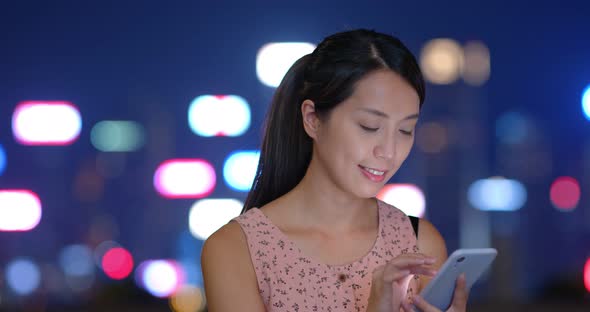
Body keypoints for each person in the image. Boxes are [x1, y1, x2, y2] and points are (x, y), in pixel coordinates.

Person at [201, 29, 469, 312]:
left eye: (405, 130)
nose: (388, 151)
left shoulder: (420, 245)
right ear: (313, 119)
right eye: (369, 126)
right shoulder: (236, 250)